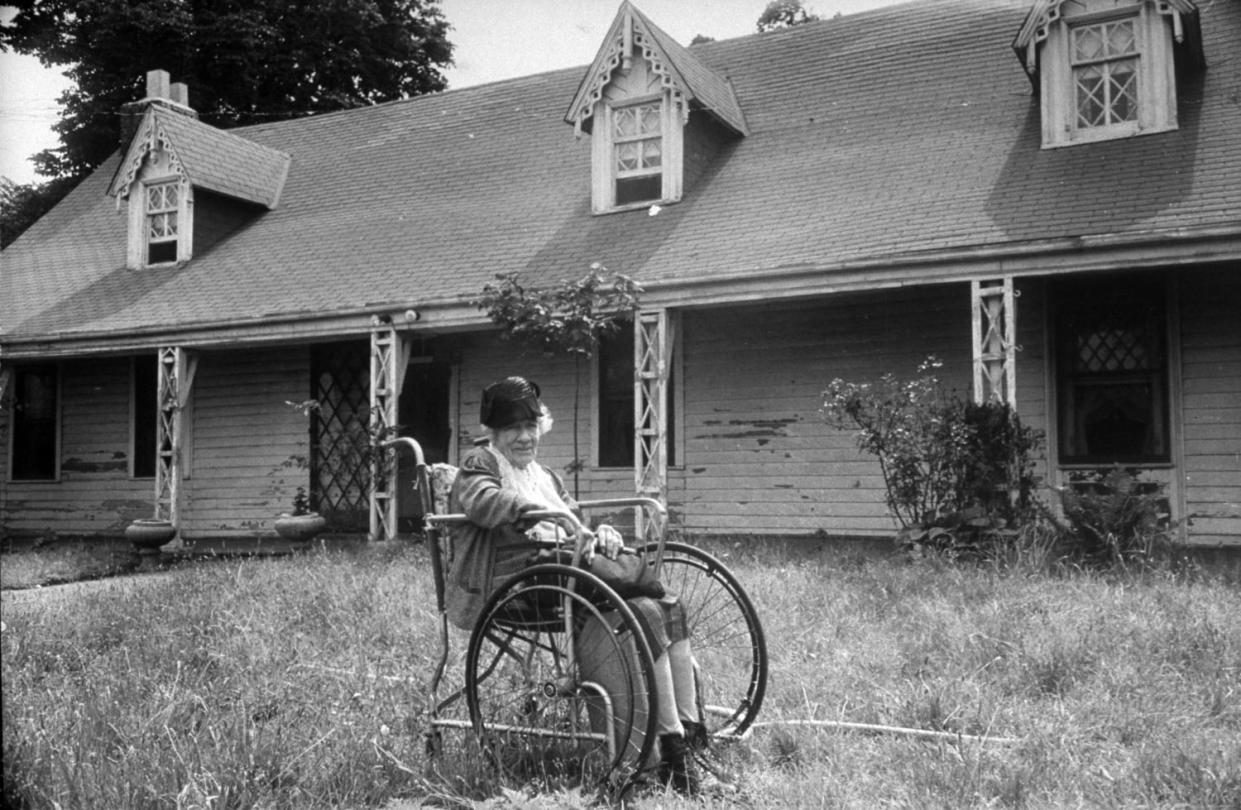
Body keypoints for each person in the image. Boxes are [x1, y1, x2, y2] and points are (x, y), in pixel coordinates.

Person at [445, 376, 706, 794]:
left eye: (531, 426)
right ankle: (644, 756)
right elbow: (480, 502)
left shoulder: (544, 475)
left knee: (662, 608)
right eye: (513, 429)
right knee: (625, 611)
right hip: (510, 582)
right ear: (494, 433)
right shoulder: (482, 463)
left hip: (560, 571)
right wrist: (529, 509)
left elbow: (573, 525)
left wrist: (598, 533)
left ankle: (681, 744)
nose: (524, 437)